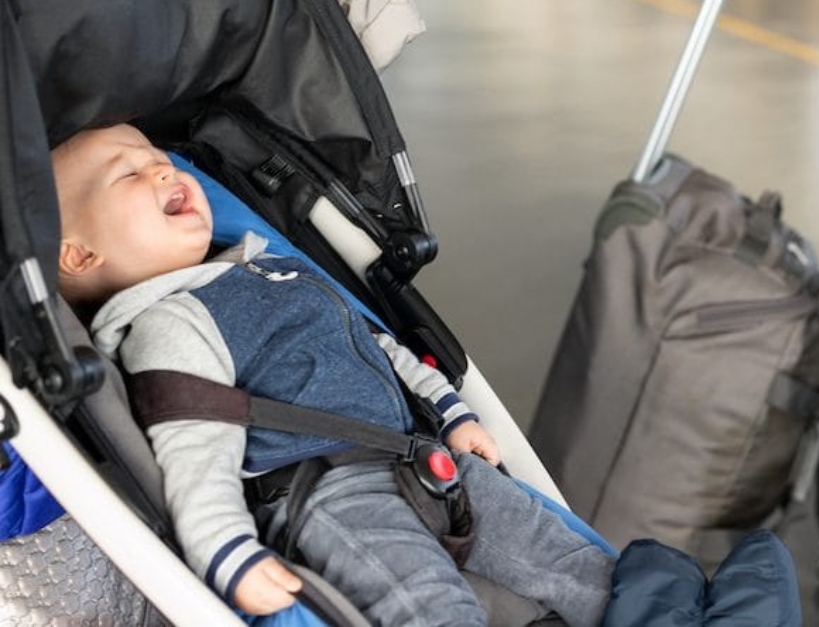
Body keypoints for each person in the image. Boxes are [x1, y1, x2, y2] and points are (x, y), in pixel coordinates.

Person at [52, 123, 615, 625]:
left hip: (422, 457)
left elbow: (378, 347)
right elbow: (197, 450)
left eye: (161, 159)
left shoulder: (272, 269)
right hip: (332, 496)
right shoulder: (168, 321)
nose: (158, 167)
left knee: (579, 569)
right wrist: (225, 551)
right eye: (127, 173)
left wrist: (450, 409)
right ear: (78, 257)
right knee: (427, 607)